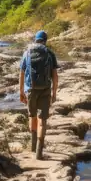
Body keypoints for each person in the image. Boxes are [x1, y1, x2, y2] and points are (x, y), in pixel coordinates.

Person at [19, 29, 58, 160]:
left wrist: (21, 92)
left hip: (30, 88)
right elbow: (55, 76)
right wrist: (54, 93)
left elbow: (22, 73)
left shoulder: (27, 52)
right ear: (45, 41)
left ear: (35, 40)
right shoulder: (50, 54)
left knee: (32, 116)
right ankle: (39, 152)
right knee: (43, 120)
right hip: (45, 89)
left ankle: (32, 145)